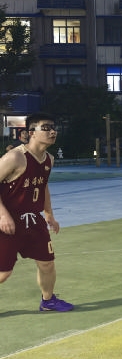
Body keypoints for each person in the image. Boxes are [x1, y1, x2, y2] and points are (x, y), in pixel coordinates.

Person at [0, 112, 73, 312]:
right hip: (8, 220)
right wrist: (3, 215)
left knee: (47, 263)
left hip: (33, 219)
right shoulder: (15, 157)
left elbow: (43, 186)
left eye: (54, 128)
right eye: (46, 128)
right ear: (31, 132)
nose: (52, 132)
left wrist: (49, 214)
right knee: (3, 273)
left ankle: (48, 301)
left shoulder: (49, 159)